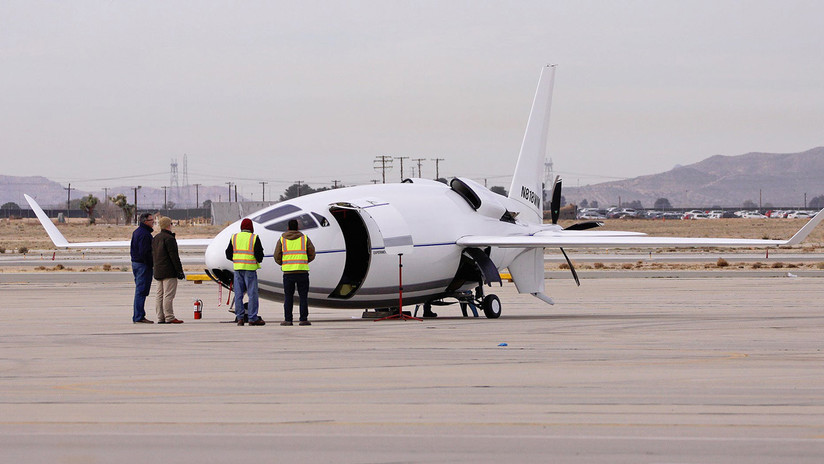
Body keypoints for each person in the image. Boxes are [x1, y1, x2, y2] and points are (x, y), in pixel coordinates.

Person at [274, 219, 315, 326]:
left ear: (288, 227)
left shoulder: (282, 240)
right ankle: (303, 319)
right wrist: (304, 261)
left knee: (288, 297)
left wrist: (284, 263)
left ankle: (288, 320)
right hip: (302, 272)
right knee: (303, 297)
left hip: (288, 273)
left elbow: (277, 256)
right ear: (297, 227)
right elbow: (312, 254)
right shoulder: (304, 239)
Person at [225, 218, 265, 326]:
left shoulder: (234, 237)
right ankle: (252, 318)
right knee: (252, 294)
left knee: (238, 294)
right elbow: (259, 254)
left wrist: (237, 260)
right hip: (250, 269)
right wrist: (256, 260)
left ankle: (240, 318)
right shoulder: (254, 237)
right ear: (251, 227)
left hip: (238, 269)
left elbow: (228, 253)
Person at [152, 216, 185, 324]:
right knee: (168, 295)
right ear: (168, 225)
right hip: (169, 271)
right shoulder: (169, 239)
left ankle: (160, 317)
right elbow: (174, 256)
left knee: (159, 295)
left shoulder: (156, 238)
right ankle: (169, 316)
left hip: (158, 270)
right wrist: (179, 271)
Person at [130, 212, 155, 323]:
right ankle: (139, 316)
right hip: (142, 265)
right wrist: (151, 263)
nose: (153, 222)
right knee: (141, 290)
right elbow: (145, 252)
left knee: (140, 290)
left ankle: (139, 315)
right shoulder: (144, 234)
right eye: (151, 220)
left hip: (136, 263)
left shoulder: (137, 232)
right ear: (145, 221)